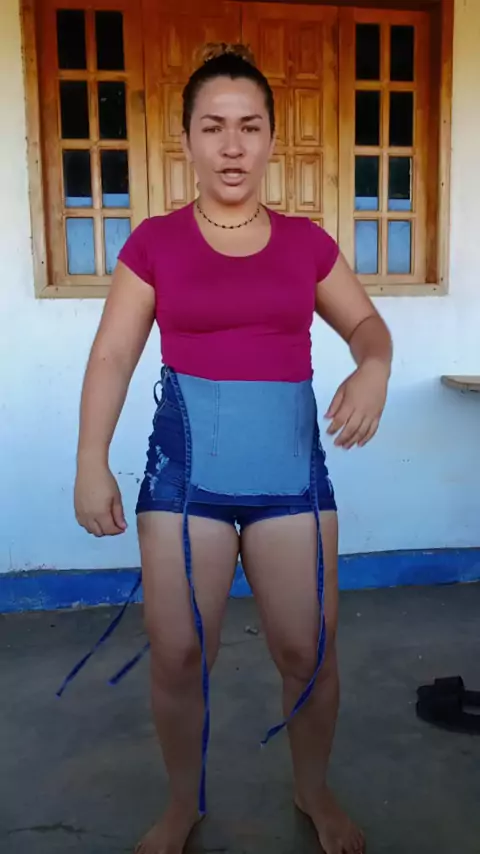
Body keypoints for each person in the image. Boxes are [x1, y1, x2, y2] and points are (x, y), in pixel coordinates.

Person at [74, 43, 392, 854]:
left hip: (290, 480)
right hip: (185, 484)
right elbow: (112, 355)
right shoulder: (154, 243)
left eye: (249, 126)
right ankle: (183, 803)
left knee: (306, 650)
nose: (231, 145)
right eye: (213, 126)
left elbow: (366, 325)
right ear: (186, 138)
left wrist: (374, 366)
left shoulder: (306, 243)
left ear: (271, 138)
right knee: (181, 653)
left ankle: (313, 790)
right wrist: (90, 460)